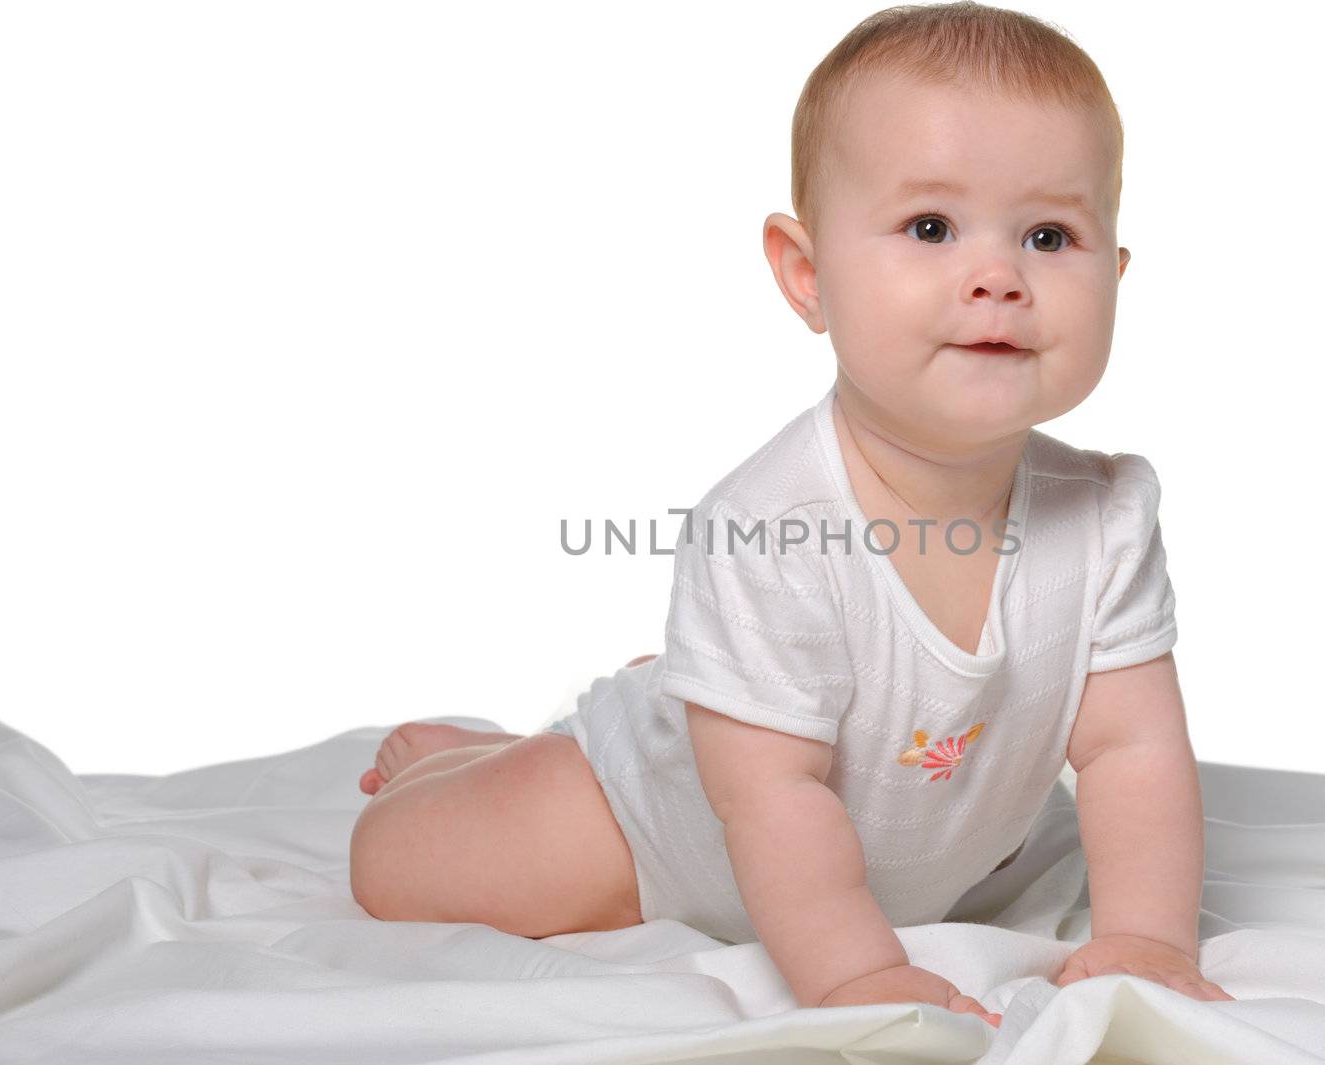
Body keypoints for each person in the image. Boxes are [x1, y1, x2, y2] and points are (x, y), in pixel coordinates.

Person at [348, 1, 1234, 1027]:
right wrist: (855, 977)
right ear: (807, 276)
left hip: (909, 817)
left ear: (1114, 276)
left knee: (774, 720)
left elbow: (1131, 752)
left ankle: (716, 687)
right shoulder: (766, 529)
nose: (997, 279)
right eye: (930, 227)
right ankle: (485, 753)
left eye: (1049, 234)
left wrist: (1145, 937)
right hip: (662, 823)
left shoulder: (1108, 512)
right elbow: (772, 803)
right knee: (396, 869)